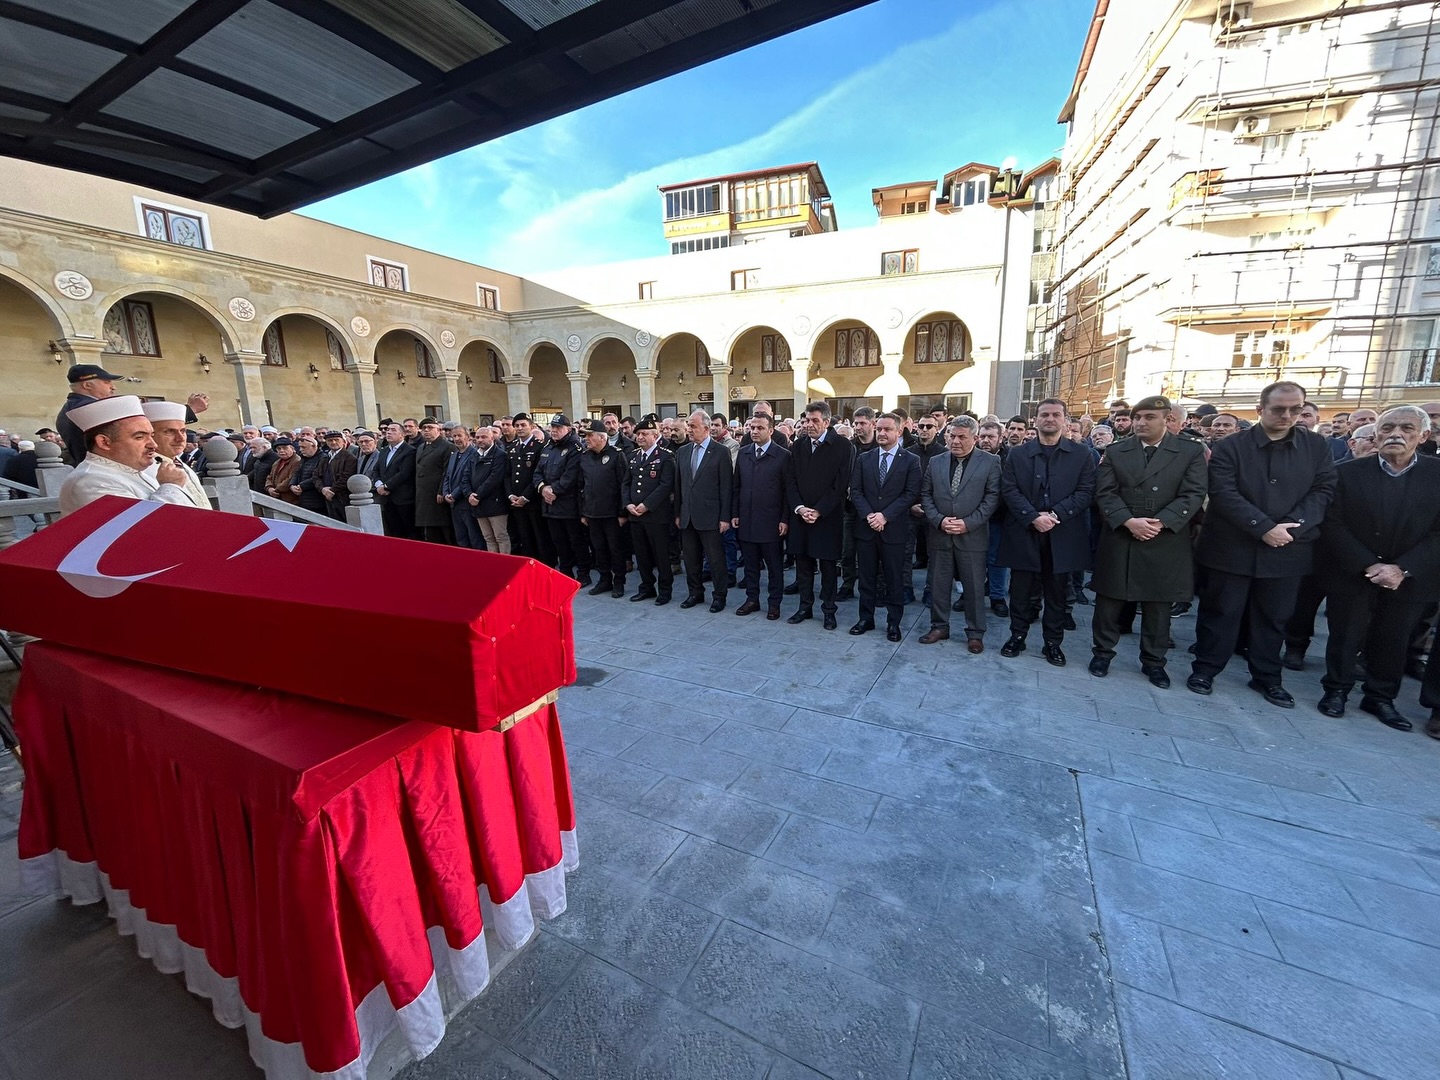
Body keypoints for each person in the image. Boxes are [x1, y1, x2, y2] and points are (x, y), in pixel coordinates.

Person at [1189, 381, 1337, 705]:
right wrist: (1262, 527)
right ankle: (1205, 669)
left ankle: (1267, 677)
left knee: (1274, 618)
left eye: (1295, 409)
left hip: (1287, 549)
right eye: (1278, 409)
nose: (1287, 415)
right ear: (1260, 410)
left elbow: (1323, 491)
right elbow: (1224, 492)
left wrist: (1291, 528)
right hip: (1232, 546)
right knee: (1220, 613)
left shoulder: (1317, 447)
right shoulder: (1231, 446)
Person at [1314, 406, 1440, 732]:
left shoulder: (1437, 475)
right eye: (1388, 428)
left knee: (1394, 638)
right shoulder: (1347, 472)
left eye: (1407, 428)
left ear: (1423, 436)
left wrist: (1402, 569)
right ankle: (1336, 690)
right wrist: (1369, 564)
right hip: (1354, 571)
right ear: (1376, 434)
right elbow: (1333, 523)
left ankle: (1380, 697)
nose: (1395, 434)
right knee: (1345, 634)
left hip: (1409, 578)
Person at [1088, 395, 1207, 687]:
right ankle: (1103, 653)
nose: (1141, 422)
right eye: (1138, 417)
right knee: (1109, 601)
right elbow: (1104, 492)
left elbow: (1193, 494)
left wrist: (1161, 521)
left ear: (1167, 419)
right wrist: (1128, 521)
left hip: (1164, 537)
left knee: (1158, 606)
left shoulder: (1189, 451)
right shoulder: (1117, 451)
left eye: (1149, 418)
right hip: (1122, 534)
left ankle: (1154, 661)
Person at [997, 398, 1097, 666]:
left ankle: (1052, 643)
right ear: (1036, 420)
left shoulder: (1081, 454)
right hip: (1024, 531)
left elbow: (1086, 491)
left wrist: (1054, 515)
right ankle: (1017, 636)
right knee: (1020, 592)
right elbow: (1009, 490)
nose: (1049, 419)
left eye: (1055, 414)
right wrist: (1032, 516)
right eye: (1044, 414)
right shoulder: (1017, 454)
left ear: (1065, 420)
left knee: (1056, 593)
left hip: (1062, 533)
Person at [919, 416, 1001, 651]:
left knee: (974, 587)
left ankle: (975, 633)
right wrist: (939, 520)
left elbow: (992, 498)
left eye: (961, 437)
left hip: (972, 536)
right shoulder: (936, 462)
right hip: (940, 534)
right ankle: (939, 626)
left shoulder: (991, 462)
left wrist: (968, 523)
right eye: (952, 436)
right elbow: (926, 494)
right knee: (938, 584)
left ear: (975, 438)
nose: (955, 441)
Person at [849, 413, 921, 641]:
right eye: (879, 428)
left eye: (887, 429)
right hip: (867, 528)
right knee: (867, 577)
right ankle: (865, 618)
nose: (881, 433)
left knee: (893, 578)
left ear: (899, 432)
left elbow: (910, 494)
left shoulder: (910, 460)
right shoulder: (865, 458)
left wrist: (885, 516)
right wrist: (870, 515)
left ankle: (893, 622)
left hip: (894, 530)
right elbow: (856, 491)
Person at [57, 395, 192, 516]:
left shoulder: (133, 471)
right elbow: (140, 529)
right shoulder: (90, 481)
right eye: (139, 437)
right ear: (104, 442)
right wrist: (170, 486)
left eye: (151, 435)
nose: (153, 445)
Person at [57, 363, 208, 465]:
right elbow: (134, 425)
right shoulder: (91, 408)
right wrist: (189, 410)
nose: (113, 387)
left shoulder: (71, 408)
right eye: (106, 382)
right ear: (87, 384)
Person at [785, 401, 851, 630]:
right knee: (802, 564)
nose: (809, 425)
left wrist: (819, 510)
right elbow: (790, 481)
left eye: (814, 421)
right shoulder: (798, 446)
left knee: (828, 567)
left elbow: (840, 485)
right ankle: (805, 606)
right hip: (801, 516)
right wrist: (800, 508)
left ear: (826, 421)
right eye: (806, 420)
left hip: (827, 517)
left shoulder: (842, 446)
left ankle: (829, 610)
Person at [731, 413, 791, 619]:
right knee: (750, 565)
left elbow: (787, 492)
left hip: (771, 522)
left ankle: (774, 603)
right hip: (747, 519)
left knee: (774, 567)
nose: (755, 431)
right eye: (752, 428)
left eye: (760, 428)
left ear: (771, 430)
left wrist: (784, 518)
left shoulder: (783, 455)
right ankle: (752, 599)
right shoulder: (744, 452)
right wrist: (735, 513)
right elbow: (736, 486)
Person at [675, 409, 733, 612]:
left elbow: (726, 487)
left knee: (715, 560)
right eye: (688, 425)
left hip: (711, 516)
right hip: (688, 516)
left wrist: (725, 517)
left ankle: (719, 596)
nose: (689, 429)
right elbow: (679, 485)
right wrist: (678, 513)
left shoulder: (720, 452)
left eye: (693, 426)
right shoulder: (682, 451)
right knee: (690, 559)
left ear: (707, 429)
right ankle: (695, 593)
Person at [625, 415, 676, 605]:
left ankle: (665, 590)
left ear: (655, 435)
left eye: (645, 434)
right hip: (635, 516)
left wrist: (646, 505)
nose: (640, 437)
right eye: (638, 434)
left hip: (656, 515)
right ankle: (647, 587)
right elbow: (626, 483)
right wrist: (628, 504)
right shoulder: (633, 456)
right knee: (642, 555)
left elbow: (665, 485)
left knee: (660, 555)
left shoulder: (665, 456)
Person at [535, 415, 591, 581]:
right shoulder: (548, 447)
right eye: (552, 427)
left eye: (558, 428)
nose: (554, 431)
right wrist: (543, 489)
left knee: (576, 542)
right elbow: (537, 473)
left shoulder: (575, 448)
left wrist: (553, 491)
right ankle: (565, 573)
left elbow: (571, 477)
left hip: (569, 505)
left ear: (568, 429)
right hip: (550, 506)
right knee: (559, 542)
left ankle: (583, 574)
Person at [577, 419, 629, 596]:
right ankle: (604, 579)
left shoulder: (616, 455)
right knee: (599, 548)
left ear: (601, 437)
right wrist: (583, 512)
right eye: (585, 436)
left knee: (615, 548)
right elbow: (580, 486)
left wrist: (623, 513)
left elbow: (624, 484)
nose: (586, 439)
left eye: (590, 435)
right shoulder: (584, 456)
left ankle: (619, 581)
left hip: (612, 513)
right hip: (592, 513)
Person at [140, 401, 210, 509]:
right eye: (169, 432)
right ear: (150, 435)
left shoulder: (181, 464)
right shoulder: (143, 469)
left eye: (182, 431)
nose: (180, 438)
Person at [505, 413, 551, 563]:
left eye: (523, 425)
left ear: (531, 427)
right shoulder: (512, 448)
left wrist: (525, 497)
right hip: (516, 501)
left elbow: (538, 475)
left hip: (533, 501)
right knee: (524, 537)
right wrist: (510, 495)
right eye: (517, 425)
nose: (519, 428)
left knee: (540, 537)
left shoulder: (539, 447)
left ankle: (544, 566)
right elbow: (507, 475)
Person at [467, 425, 511, 554]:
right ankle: (494, 565)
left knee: (500, 536)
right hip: (477, 504)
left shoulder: (500, 455)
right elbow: (466, 476)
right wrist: (469, 494)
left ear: (492, 438)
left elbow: (494, 479)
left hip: (495, 503)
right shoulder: (475, 455)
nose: (480, 440)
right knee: (488, 538)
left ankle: (504, 564)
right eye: (478, 437)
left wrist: (478, 495)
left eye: (484, 437)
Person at [413, 417, 454, 544]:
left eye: (430, 428)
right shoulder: (421, 447)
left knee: (445, 531)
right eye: (424, 428)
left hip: (436, 494)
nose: (426, 431)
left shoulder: (447, 447)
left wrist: (441, 491)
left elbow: (447, 471)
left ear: (438, 430)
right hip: (424, 494)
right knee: (430, 531)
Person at [442, 424, 482, 548]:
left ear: (468, 437)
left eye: (460, 435)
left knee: (474, 537)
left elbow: (468, 478)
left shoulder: (474, 454)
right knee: (461, 537)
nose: (457, 438)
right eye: (454, 436)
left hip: (465, 502)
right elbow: (448, 476)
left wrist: (454, 494)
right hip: (454, 505)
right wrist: (445, 493)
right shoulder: (454, 454)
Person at [375, 421, 417, 538]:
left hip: (403, 498)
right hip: (386, 498)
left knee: (409, 532)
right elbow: (376, 470)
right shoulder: (384, 451)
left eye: (393, 430)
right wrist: (379, 485)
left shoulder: (409, 450)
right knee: (394, 531)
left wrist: (386, 486)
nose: (388, 432)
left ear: (402, 435)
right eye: (388, 430)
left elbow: (404, 473)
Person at [317, 429, 357, 521]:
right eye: (330, 440)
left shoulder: (349, 457)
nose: (333, 442)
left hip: (342, 498)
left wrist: (332, 490)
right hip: (327, 497)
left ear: (343, 441)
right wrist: (322, 489)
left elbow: (346, 477)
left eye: (336, 440)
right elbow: (316, 475)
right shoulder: (325, 457)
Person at [265, 437, 300, 503]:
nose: (281, 450)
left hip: (290, 499)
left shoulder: (297, 461)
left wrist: (276, 490)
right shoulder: (277, 462)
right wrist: (269, 488)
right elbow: (270, 477)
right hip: (278, 498)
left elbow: (290, 479)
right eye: (279, 448)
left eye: (285, 448)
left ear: (292, 449)